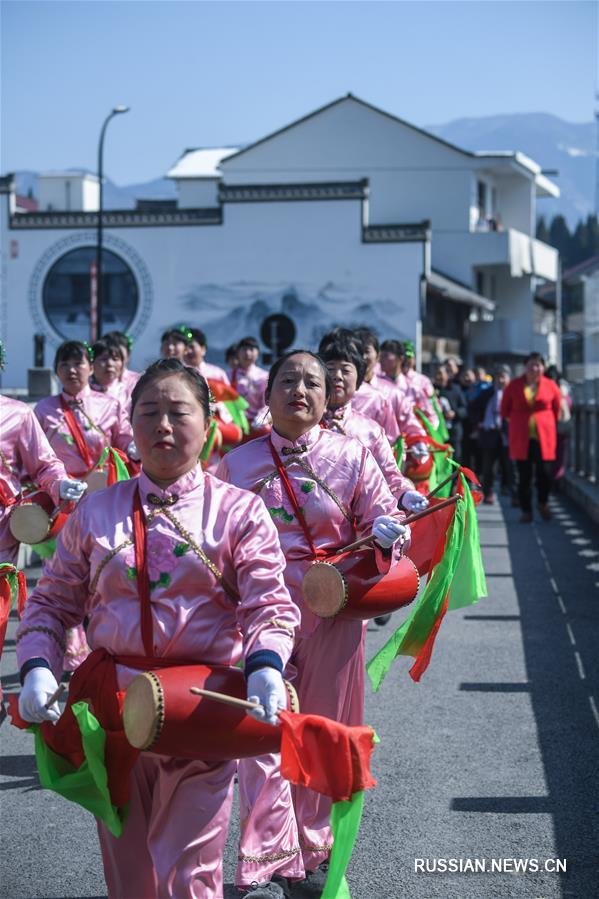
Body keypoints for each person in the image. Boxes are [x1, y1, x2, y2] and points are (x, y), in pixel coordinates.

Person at [16, 358, 300, 899]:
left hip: (202, 707)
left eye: (178, 412)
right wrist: (36, 667)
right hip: (114, 711)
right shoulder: (97, 512)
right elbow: (52, 603)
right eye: (149, 412)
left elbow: (269, 602)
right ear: (131, 422)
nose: (163, 425)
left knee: (191, 871)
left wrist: (265, 665)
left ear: (209, 421)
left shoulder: (238, 512)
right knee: (129, 874)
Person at [216, 350, 407, 897]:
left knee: (321, 730)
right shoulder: (236, 464)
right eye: (288, 380)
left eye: (312, 383)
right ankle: (268, 857)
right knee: (262, 729)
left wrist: (391, 531)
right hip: (256, 611)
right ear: (267, 394)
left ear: (328, 400)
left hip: (333, 612)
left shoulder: (354, 455)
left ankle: (315, 847)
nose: (300, 389)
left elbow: (380, 520)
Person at [34, 340, 137, 672]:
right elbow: (37, 460)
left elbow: (123, 441)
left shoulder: (108, 405)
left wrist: (135, 446)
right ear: (57, 371)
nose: (72, 369)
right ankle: (74, 653)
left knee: (105, 570)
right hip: (63, 502)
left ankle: (109, 642)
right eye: (64, 364)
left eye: (78, 363)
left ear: (90, 368)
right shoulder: (43, 410)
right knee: (67, 575)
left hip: (105, 498)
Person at [500, 352, 561, 522]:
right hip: (521, 436)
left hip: (545, 436)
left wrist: (545, 421)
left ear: (543, 367)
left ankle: (543, 502)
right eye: (531, 365)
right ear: (525, 367)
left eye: (538, 365)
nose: (534, 369)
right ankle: (526, 510)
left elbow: (557, 409)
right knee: (524, 475)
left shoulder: (551, 385)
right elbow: (504, 410)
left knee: (546, 473)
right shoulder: (514, 385)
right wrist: (518, 422)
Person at [470, 365, 514, 504]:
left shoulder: (513, 394)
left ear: (509, 378)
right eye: (498, 377)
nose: (501, 380)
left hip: (508, 434)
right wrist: (478, 422)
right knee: (489, 466)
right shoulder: (487, 393)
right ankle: (488, 492)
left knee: (510, 465)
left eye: (504, 377)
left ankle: (512, 492)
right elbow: (473, 407)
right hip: (489, 432)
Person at [229, 336, 270, 434]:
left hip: (257, 423)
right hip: (235, 422)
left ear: (257, 353)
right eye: (244, 349)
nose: (247, 353)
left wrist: (261, 418)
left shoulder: (264, 376)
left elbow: (268, 402)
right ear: (238, 353)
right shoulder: (229, 375)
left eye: (251, 349)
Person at [433, 365, 467, 462]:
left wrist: (455, 413)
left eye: (440, 373)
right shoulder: (431, 390)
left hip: (454, 433)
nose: (438, 377)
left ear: (447, 375)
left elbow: (464, 409)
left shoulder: (456, 389)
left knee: (455, 460)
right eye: (436, 374)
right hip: (437, 434)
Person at [102, 330, 141, 396]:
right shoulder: (92, 381)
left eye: (117, 356)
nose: (110, 362)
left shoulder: (137, 381)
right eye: (105, 358)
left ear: (128, 356)